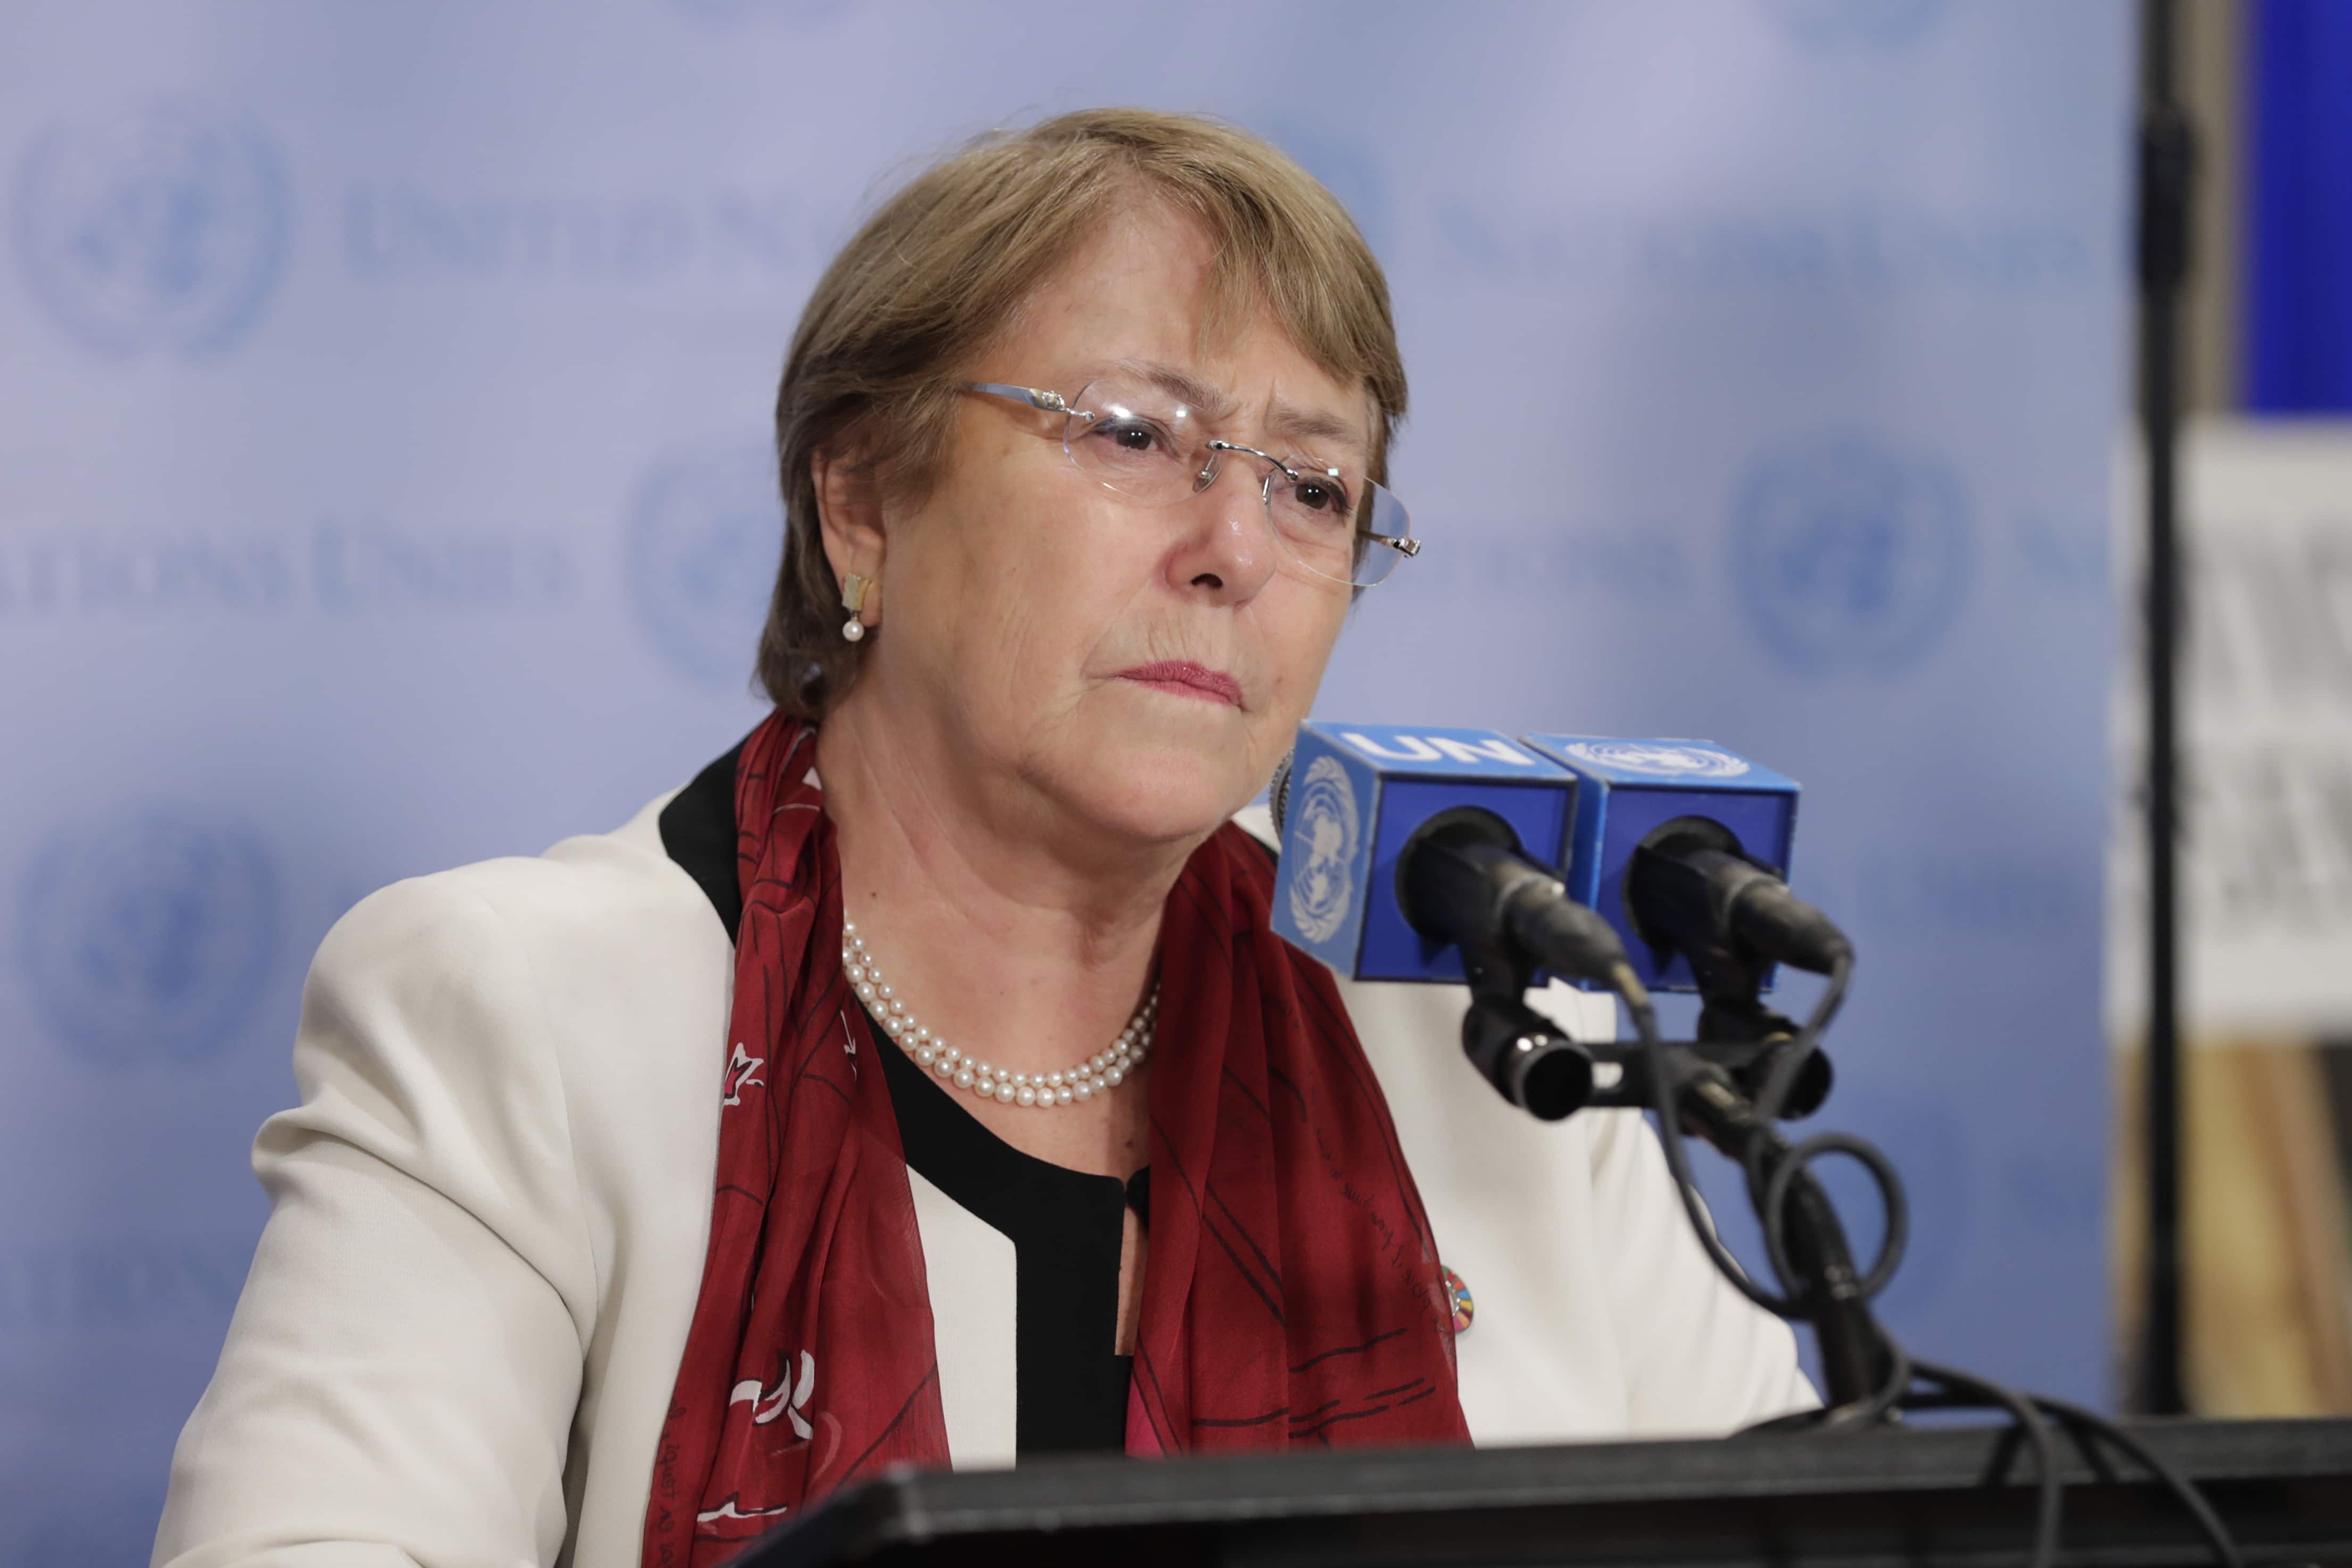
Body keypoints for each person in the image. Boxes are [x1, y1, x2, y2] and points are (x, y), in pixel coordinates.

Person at [154, 109, 1811, 1568]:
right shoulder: (514, 1014)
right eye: (1132, 434)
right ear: (861, 498)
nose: (1234, 543)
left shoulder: (1503, 1036)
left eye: (1312, 486)